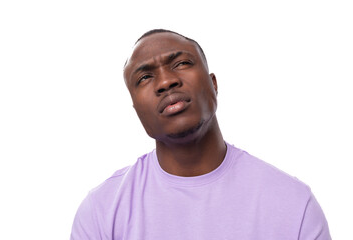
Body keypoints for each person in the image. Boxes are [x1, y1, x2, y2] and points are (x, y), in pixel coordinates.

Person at [70, 29, 331, 239]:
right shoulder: (102, 211)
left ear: (213, 84)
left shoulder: (293, 204)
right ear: (136, 108)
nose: (165, 82)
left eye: (181, 63)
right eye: (145, 77)